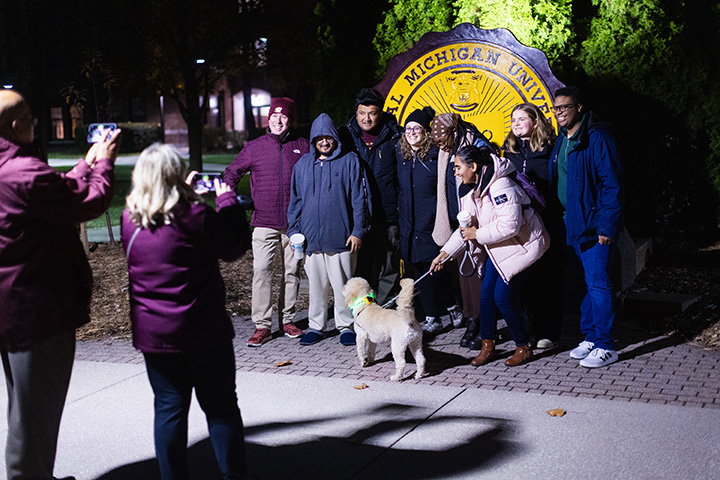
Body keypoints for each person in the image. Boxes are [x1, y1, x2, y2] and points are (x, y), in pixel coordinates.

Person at [0, 89, 120, 480]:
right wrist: (103, 165)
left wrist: (84, 165)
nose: (35, 124)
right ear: (17, 126)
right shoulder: (22, 173)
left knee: (24, 405)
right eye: (31, 118)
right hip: (37, 310)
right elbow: (87, 202)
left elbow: (56, 193)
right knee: (36, 412)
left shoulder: (13, 171)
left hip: (13, 310)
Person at [122, 143, 251, 479]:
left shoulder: (129, 218)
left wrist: (187, 195)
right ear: (174, 175)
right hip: (203, 330)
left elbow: (167, 231)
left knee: (169, 410)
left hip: (155, 335)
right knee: (221, 406)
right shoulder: (194, 216)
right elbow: (234, 245)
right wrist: (225, 201)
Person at [431, 145, 549, 367]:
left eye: (458, 167)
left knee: (502, 297)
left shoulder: (500, 186)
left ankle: (523, 346)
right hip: (502, 249)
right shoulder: (473, 189)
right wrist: (445, 253)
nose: (455, 172)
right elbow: (465, 230)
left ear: (473, 166)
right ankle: (488, 345)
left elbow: (510, 226)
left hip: (524, 247)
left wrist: (478, 234)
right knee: (486, 294)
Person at [224, 97, 309, 347]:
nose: (278, 120)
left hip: (294, 224)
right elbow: (232, 172)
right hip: (264, 221)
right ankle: (262, 325)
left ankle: (288, 320)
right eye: (274, 116)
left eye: (283, 117)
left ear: (289, 120)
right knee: (261, 272)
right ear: (268, 119)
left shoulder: (301, 146)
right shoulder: (255, 146)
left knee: (291, 272)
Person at [549, 86, 624, 368]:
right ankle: (591, 337)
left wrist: (606, 226)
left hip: (594, 227)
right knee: (584, 284)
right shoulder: (563, 140)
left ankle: (606, 345)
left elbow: (611, 186)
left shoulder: (597, 139)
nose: (559, 114)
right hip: (571, 223)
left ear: (579, 108)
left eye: (564, 108)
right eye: (555, 109)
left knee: (599, 284)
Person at [287, 113, 368, 346]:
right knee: (316, 287)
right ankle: (317, 326)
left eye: (328, 138)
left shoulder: (350, 160)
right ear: (313, 140)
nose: (324, 142)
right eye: (319, 138)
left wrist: (358, 230)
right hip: (310, 239)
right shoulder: (303, 164)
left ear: (335, 138)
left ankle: (347, 326)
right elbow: (296, 201)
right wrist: (293, 231)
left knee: (344, 286)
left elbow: (359, 198)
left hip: (341, 237)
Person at [396, 106, 462, 334]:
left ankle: (452, 306)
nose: (412, 132)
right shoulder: (402, 155)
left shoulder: (436, 156)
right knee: (418, 268)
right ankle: (434, 315)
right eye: (408, 128)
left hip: (431, 221)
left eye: (417, 128)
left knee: (435, 268)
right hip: (409, 221)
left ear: (425, 132)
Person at [502, 103, 563, 350]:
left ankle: (550, 332)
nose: (516, 124)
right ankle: (529, 331)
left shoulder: (551, 150)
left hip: (547, 222)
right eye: (513, 120)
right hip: (522, 226)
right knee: (526, 280)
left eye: (522, 119)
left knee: (548, 279)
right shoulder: (510, 152)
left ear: (535, 122)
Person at [430, 113, 493, 339]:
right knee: (465, 276)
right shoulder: (447, 151)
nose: (439, 146)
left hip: (478, 218)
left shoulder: (477, 148)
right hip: (458, 219)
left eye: (441, 141)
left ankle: (484, 323)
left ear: (453, 134)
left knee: (478, 274)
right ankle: (472, 319)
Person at [344, 88, 401, 305]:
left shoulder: (395, 135)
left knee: (388, 265)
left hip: (388, 213)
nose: (366, 118)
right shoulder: (345, 135)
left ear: (381, 113)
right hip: (357, 215)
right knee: (361, 265)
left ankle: (385, 306)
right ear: (356, 113)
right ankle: (364, 308)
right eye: (362, 113)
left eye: (372, 113)